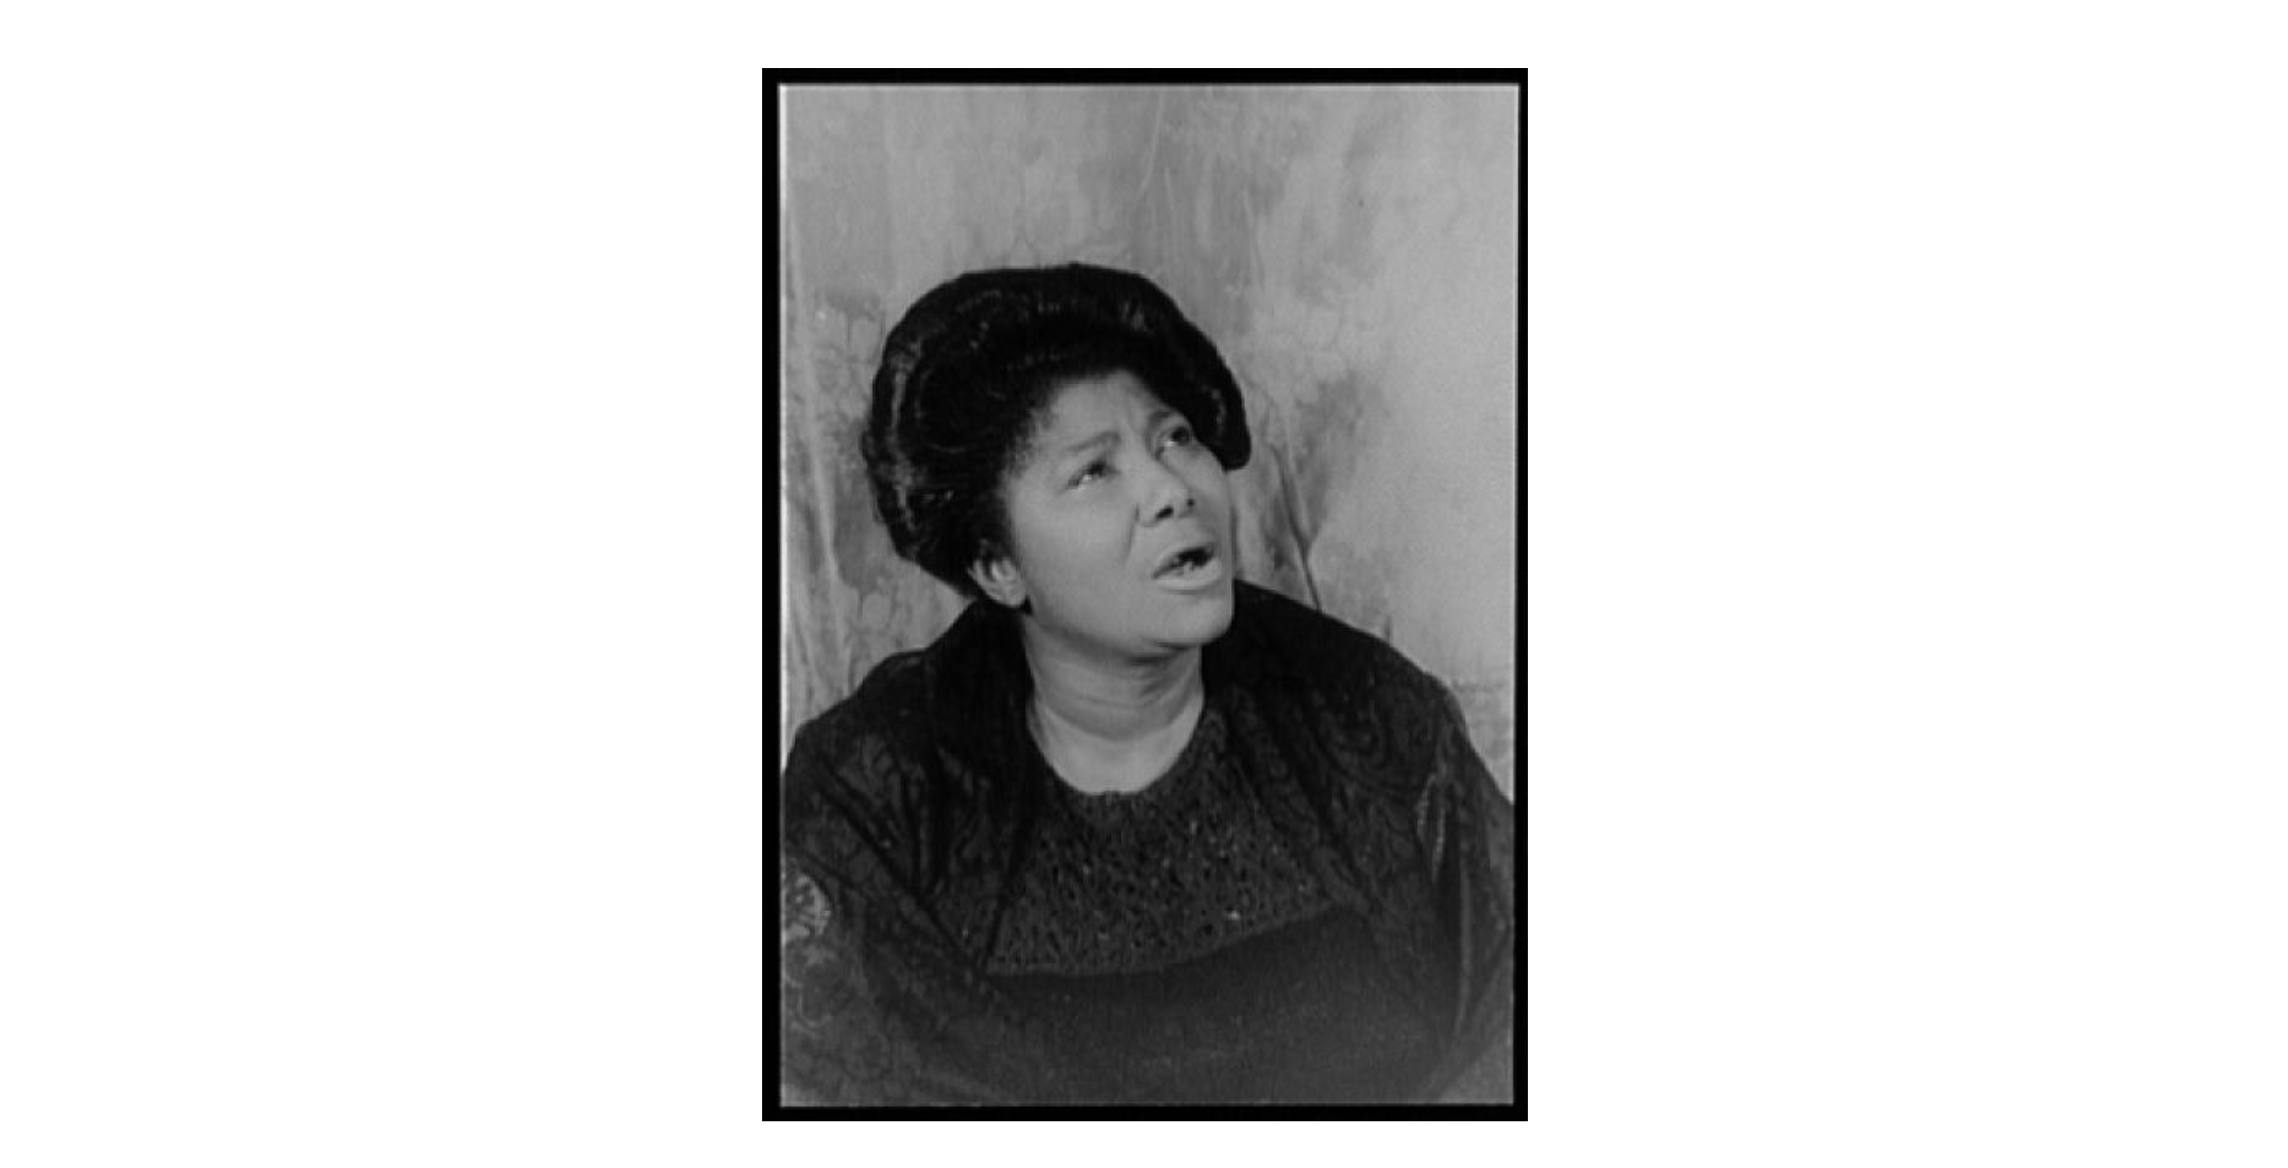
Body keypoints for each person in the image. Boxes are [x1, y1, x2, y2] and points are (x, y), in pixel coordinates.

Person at [780, 263, 1514, 1104]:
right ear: (998, 565)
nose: (1173, 489)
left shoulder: (1360, 712)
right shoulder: (876, 800)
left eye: (1175, 439)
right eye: (1095, 472)